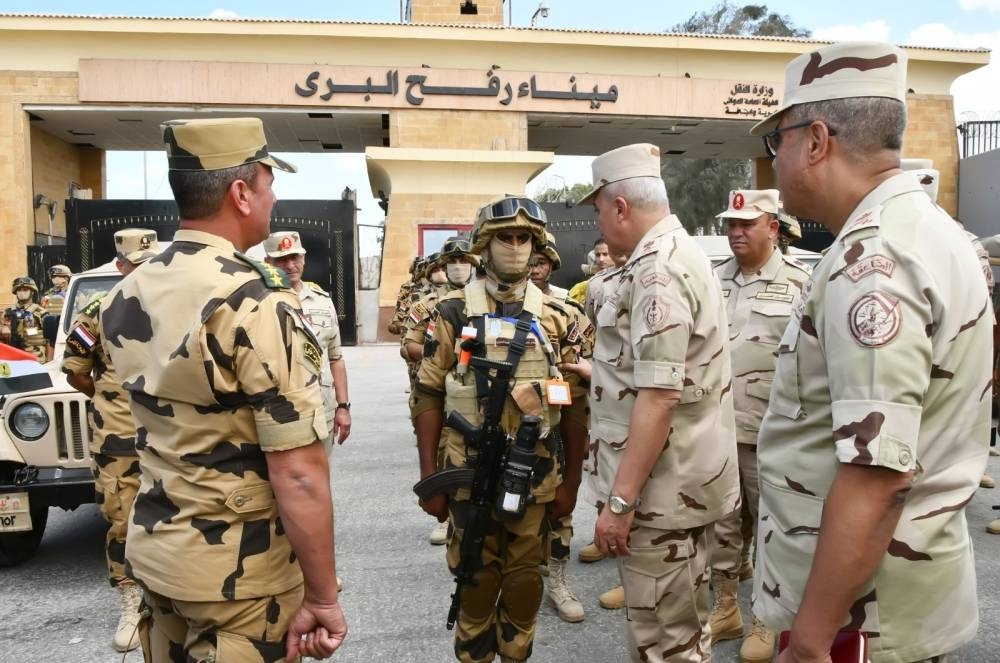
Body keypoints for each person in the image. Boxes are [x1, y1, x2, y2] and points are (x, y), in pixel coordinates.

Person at [749, 42, 991, 663]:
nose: (774, 162)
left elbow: (876, 474)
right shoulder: (929, 232)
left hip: (860, 619)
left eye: (777, 142)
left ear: (816, 141)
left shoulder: (873, 261)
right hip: (888, 598)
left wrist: (810, 642)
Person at [100, 117, 346, 662]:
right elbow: (299, 472)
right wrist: (323, 596)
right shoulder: (255, 303)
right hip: (239, 576)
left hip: (159, 554)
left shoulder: (127, 291)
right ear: (240, 193)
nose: (274, 198)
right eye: (268, 184)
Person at [412, 195, 590, 663]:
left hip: (537, 473)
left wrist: (572, 483)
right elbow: (427, 395)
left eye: (524, 238)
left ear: (537, 246)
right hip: (467, 473)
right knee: (475, 576)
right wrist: (430, 479)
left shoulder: (561, 315)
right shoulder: (452, 312)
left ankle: (516, 653)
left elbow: (575, 404)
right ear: (485, 245)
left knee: (525, 579)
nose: (515, 246)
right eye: (505, 238)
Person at [580, 143, 740, 662]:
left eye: (599, 211)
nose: (599, 224)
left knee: (664, 643)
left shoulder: (657, 272)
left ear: (620, 206)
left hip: (661, 498)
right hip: (683, 484)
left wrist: (620, 504)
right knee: (684, 631)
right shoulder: (680, 253)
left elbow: (660, 395)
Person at [709, 189, 811, 663]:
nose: (735, 232)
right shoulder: (713, 279)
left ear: (773, 228)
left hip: (771, 433)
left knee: (773, 527)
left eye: (746, 224)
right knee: (723, 524)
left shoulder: (801, 283)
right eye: (731, 224)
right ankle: (726, 605)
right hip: (717, 429)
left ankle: (766, 618)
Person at [61, 228, 161, 653]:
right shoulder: (96, 312)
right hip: (119, 439)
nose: (144, 272)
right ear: (120, 266)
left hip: (171, 435)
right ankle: (132, 602)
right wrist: (109, 399)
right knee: (122, 520)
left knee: (180, 514)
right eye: (136, 265)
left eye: (150, 264)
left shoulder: (177, 305)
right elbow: (75, 371)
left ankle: (176, 598)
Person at [900, 159, 997, 493]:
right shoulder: (890, 236)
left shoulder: (963, 241)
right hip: (910, 342)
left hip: (953, 341)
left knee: (954, 414)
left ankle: (963, 468)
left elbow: (983, 300)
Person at [529, 232, 594, 624]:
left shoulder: (566, 311)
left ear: (551, 265)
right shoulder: (476, 308)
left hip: (549, 433)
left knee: (557, 509)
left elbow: (577, 391)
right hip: (494, 437)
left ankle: (556, 580)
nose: (532, 268)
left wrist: (574, 470)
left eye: (539, 262)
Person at [400, 237, 478, 546]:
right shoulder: (428, 305)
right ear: (443, 267)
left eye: (464, 261)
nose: (459, 267)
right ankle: (446, 519)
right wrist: (441, 355)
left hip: (477, 394)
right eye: (452, 262)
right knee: (445, 453)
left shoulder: (484, 300)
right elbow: (408, 344)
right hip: (440, 392)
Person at [263, 230, 352, 448]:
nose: (290, 265)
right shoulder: (259, 301)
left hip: (321, 412)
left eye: (295, 257)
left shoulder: (322, 301)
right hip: (277, 414)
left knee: (322, 469)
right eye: (281, 259)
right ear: (267, 262)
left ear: (303, 258)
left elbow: (335, 358)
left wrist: (343, 407)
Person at [1, 277, 48, 361]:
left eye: (25, 290)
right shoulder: (7, 312)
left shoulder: (41, 312)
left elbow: (50, 339)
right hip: (11, 356)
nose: (22, 293)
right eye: (19, 290)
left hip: (34, 357)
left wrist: (50, 360)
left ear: (32, 292)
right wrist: (2, 329)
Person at [388, 256, 428, 336]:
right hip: (409, 319)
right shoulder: (407, 286)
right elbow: (400, 305)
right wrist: (397, 322)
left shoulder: (430, 285)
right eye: (418, 266)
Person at [568, 237, 613, 305]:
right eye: (598, 255)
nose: (601, 259)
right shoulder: (580, 289)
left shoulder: (625, 282)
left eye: (605, 254)